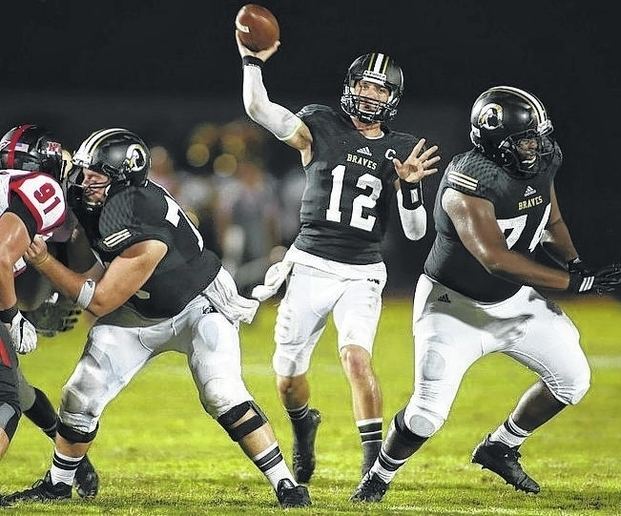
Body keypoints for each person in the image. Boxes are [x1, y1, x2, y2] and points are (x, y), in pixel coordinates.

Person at [2, 128, 310, 508]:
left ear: (123, 180)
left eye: (97, 176)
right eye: (84, 172)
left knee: (221, 393)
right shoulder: (96, 198)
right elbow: (76, 243)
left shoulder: (143, 220)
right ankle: (58, 484)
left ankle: (286, 484)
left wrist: (43, 262)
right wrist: (55, 286)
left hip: (198, 306)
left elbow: (100, 300)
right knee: (80, 394)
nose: (85, 183)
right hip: (139, 310)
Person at [351, 86, 621, 502]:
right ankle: (378, 477)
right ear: (495, 140)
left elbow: (550, 218)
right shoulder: (469, 180)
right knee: (426, 416)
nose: (537, 146)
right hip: (452, 307)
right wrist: (572, 285)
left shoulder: (544, 159)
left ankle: (501, 446)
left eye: (537, 136)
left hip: (512, 302)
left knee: (573, 380)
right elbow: (494, 257)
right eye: (525, 139)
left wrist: (574, 263)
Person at [236, 33, 441, 483]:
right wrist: (252, 62)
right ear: (350, 86)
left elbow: (415, 232)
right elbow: (260, 110)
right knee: (288, 378)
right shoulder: (321, 124)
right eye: (363, 85)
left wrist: (408, 186)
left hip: (362, 271)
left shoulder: (403, 146)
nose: (369, 94)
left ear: (392, 98)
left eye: (379, 88)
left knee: (356, 358)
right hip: (309, 264)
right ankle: (302, 426)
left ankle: (373, 466)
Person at [0, 124, 99, 498]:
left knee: (20, 391)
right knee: (4, 400)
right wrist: (12, 318)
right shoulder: (40, 188)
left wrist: (27, 312)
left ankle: (76, 461)